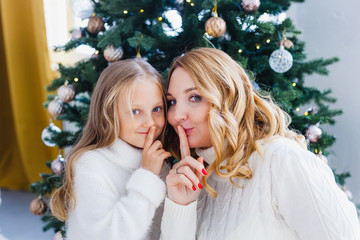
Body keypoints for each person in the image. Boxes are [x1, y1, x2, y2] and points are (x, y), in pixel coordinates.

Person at [160, 48, 360, 240]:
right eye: (172, 102)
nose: (177, 115)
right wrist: (181, 205)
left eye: (195, 97)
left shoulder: (281, 159)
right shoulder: (197, 179)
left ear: (227, 98)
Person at [50, 58, 171, 240]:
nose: (150, 122)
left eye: (157, 109)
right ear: (109, 114)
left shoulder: (160, 164)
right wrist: (147, 175)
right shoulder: (91, 164)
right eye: (135, 111)